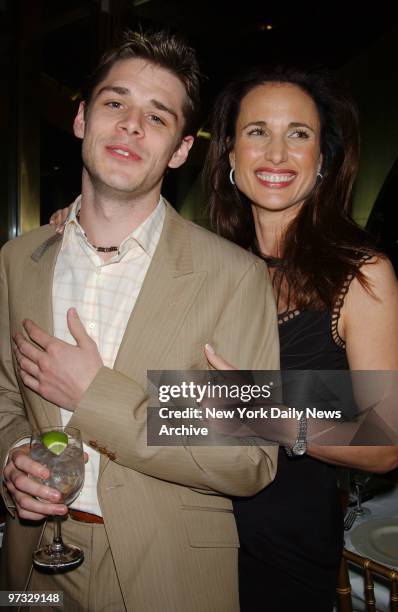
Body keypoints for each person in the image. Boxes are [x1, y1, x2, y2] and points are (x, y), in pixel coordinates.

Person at [0, 32, 280, 612]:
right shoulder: (17, 260)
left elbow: (253, 458)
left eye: (156, 116)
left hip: (170, 576)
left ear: (179, 150)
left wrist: (96, 395)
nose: (131, 125)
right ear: (81, 119)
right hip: (32, 573)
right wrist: (13, 456)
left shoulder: (236, 277)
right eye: (115, 103)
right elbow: (5, 397)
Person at [202, 66, 398, 611]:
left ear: (324, 161)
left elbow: (386, 442)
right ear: (230, 156)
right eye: (257, 131)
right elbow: (173, 406)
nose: (277, 152)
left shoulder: (361, 274)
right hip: (190, 535)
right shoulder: (206, 267)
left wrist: (259, 409)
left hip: (283, 554)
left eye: (299, 134)